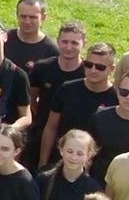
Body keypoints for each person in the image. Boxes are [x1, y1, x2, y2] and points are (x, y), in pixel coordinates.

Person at [43, 42, 120, 166]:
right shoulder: (67, 89)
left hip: (96, 167)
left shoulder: (117, 98)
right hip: (61, 160)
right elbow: (51, 127)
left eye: (100, 67)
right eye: (88, 65)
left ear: (111, 69)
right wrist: (43, 163)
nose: (93, 70)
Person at [29, 21, 89, 168]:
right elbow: (31, 98)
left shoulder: (88, 73)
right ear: (57, 41)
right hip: (41, 135)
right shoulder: (42, 67)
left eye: (74, 43)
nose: (68, 47)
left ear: (84, 43)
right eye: (65, 42)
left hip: (74, 142)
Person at [91, 69, 129, 180]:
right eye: (124, 92)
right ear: (118, 92)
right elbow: (88, 154)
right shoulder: (100, 118)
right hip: (100, 181)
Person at [5, 0, 59, 73]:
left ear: (43, 17)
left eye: (33, 17)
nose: (27, 21)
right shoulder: (4, 39)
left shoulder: (52, 50)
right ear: (17, 15)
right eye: (23, 16)